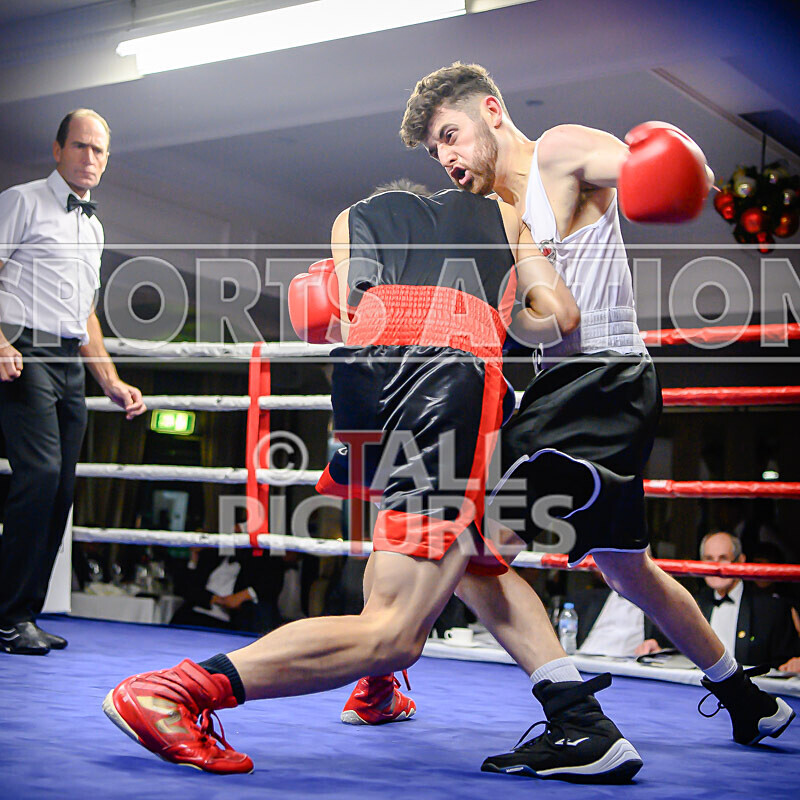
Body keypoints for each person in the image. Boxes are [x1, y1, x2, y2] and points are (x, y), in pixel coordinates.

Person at [102, 185, 647, 781]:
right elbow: (560, 317)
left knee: (474, 554)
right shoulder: (503, 214)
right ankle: (173, 692)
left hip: (367, 386)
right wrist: (504, 320)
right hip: (449, 385)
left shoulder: (350, 218)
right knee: (394, 629)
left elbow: (335, 313)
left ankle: (394, 693)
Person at [385, 62, 794, 759]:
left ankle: (576, 721)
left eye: (450, 135)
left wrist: (666, 170)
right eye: (434, 151)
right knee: (626, 568)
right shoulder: (505, 219)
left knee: (474, 547)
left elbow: (638, 169)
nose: (447, 157)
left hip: (598, 381)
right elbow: (543, 323)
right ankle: (746, 700)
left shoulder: (560, 150)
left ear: (490, 110)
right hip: (576, 386)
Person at [0, 109, 146, 656]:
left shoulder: (94, 226)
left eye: (100, 151)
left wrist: (109, 380)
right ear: (57, 149)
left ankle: (22, 616)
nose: (90, 158)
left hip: (66, 362)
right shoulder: (20, 201)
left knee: (60, 490)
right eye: (81, 147)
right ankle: (7, 615)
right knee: (37, 478)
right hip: (24, 351)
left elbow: (85, 313)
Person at [639, 532, 800, 668]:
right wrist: (656, 648)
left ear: (740, 561)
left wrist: (795, 663)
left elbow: (787, 662)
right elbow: (673, 651)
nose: (716, 567)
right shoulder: (690, 604)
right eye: (709, 558)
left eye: (723, 558)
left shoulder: (772, 609)